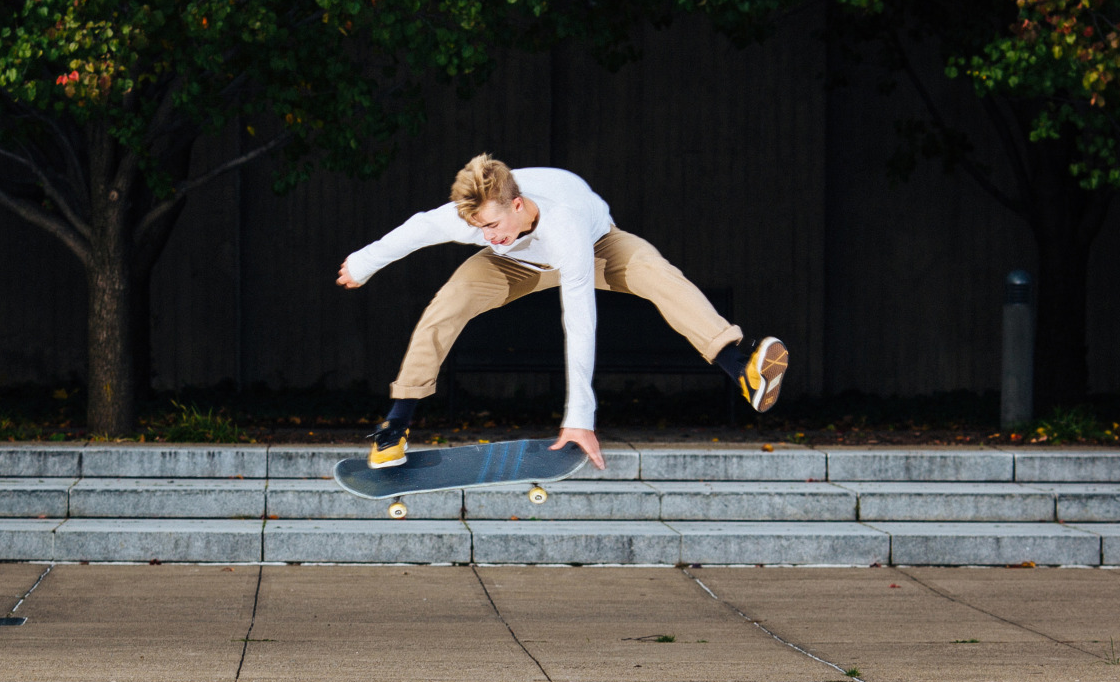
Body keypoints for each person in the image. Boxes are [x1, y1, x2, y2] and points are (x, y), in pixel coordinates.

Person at [335, 154, 787, 470]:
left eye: (493, 224)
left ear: (518, 203)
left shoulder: (565, 223)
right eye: (477, 227)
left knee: (655, 272)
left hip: (595, 250)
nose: (487, 233)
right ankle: (397, 423)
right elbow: (415, 230)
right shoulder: (476, 220)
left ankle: (739, 364)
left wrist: (578, 419)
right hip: (516, 264)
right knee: (449, 302)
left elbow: (579, 321)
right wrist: (362, 263)